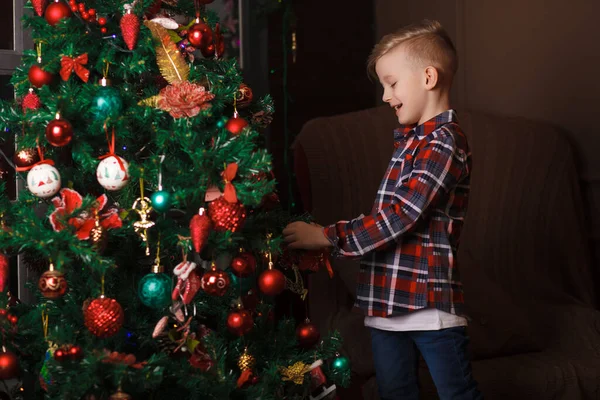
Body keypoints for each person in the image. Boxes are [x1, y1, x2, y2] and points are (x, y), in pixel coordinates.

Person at [283, 19, 483, 400]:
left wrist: (327, 236)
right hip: (386, 302)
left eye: (392, 83)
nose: (387, 97)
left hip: (428, 306)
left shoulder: (443, 143)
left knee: (456, 392)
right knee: (394, 391)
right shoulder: (410, 143)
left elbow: (403, 215)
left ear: (428, 77)